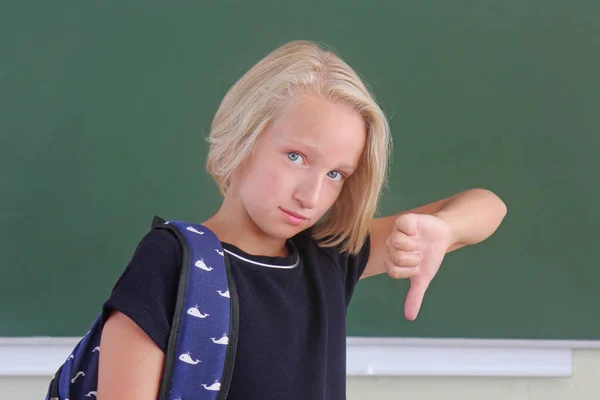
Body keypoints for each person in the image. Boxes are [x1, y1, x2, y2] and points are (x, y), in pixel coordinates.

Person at [97, 40, 507, 399]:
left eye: (336, 174)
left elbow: (489, 205)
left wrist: (447, 228)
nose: (311, 197)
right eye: (296, 157)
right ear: (245, 135)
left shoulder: (328, 255)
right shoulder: (170, 261)